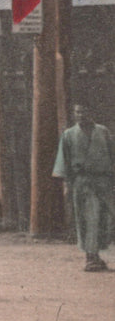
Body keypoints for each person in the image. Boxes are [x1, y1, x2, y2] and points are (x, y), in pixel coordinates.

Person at [53, 104, 115, 272]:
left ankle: (96, 254)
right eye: (77, 112)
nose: (81, 115)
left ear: (91, 112)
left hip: (104, 181)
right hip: (83, 182)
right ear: (74, 114)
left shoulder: (103, 131)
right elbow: (64, 161)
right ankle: (90, 257)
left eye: (84, 111)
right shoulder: (69, 135)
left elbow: (112, 155)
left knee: (107, 218)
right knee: (89, 218)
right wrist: (67, 183)